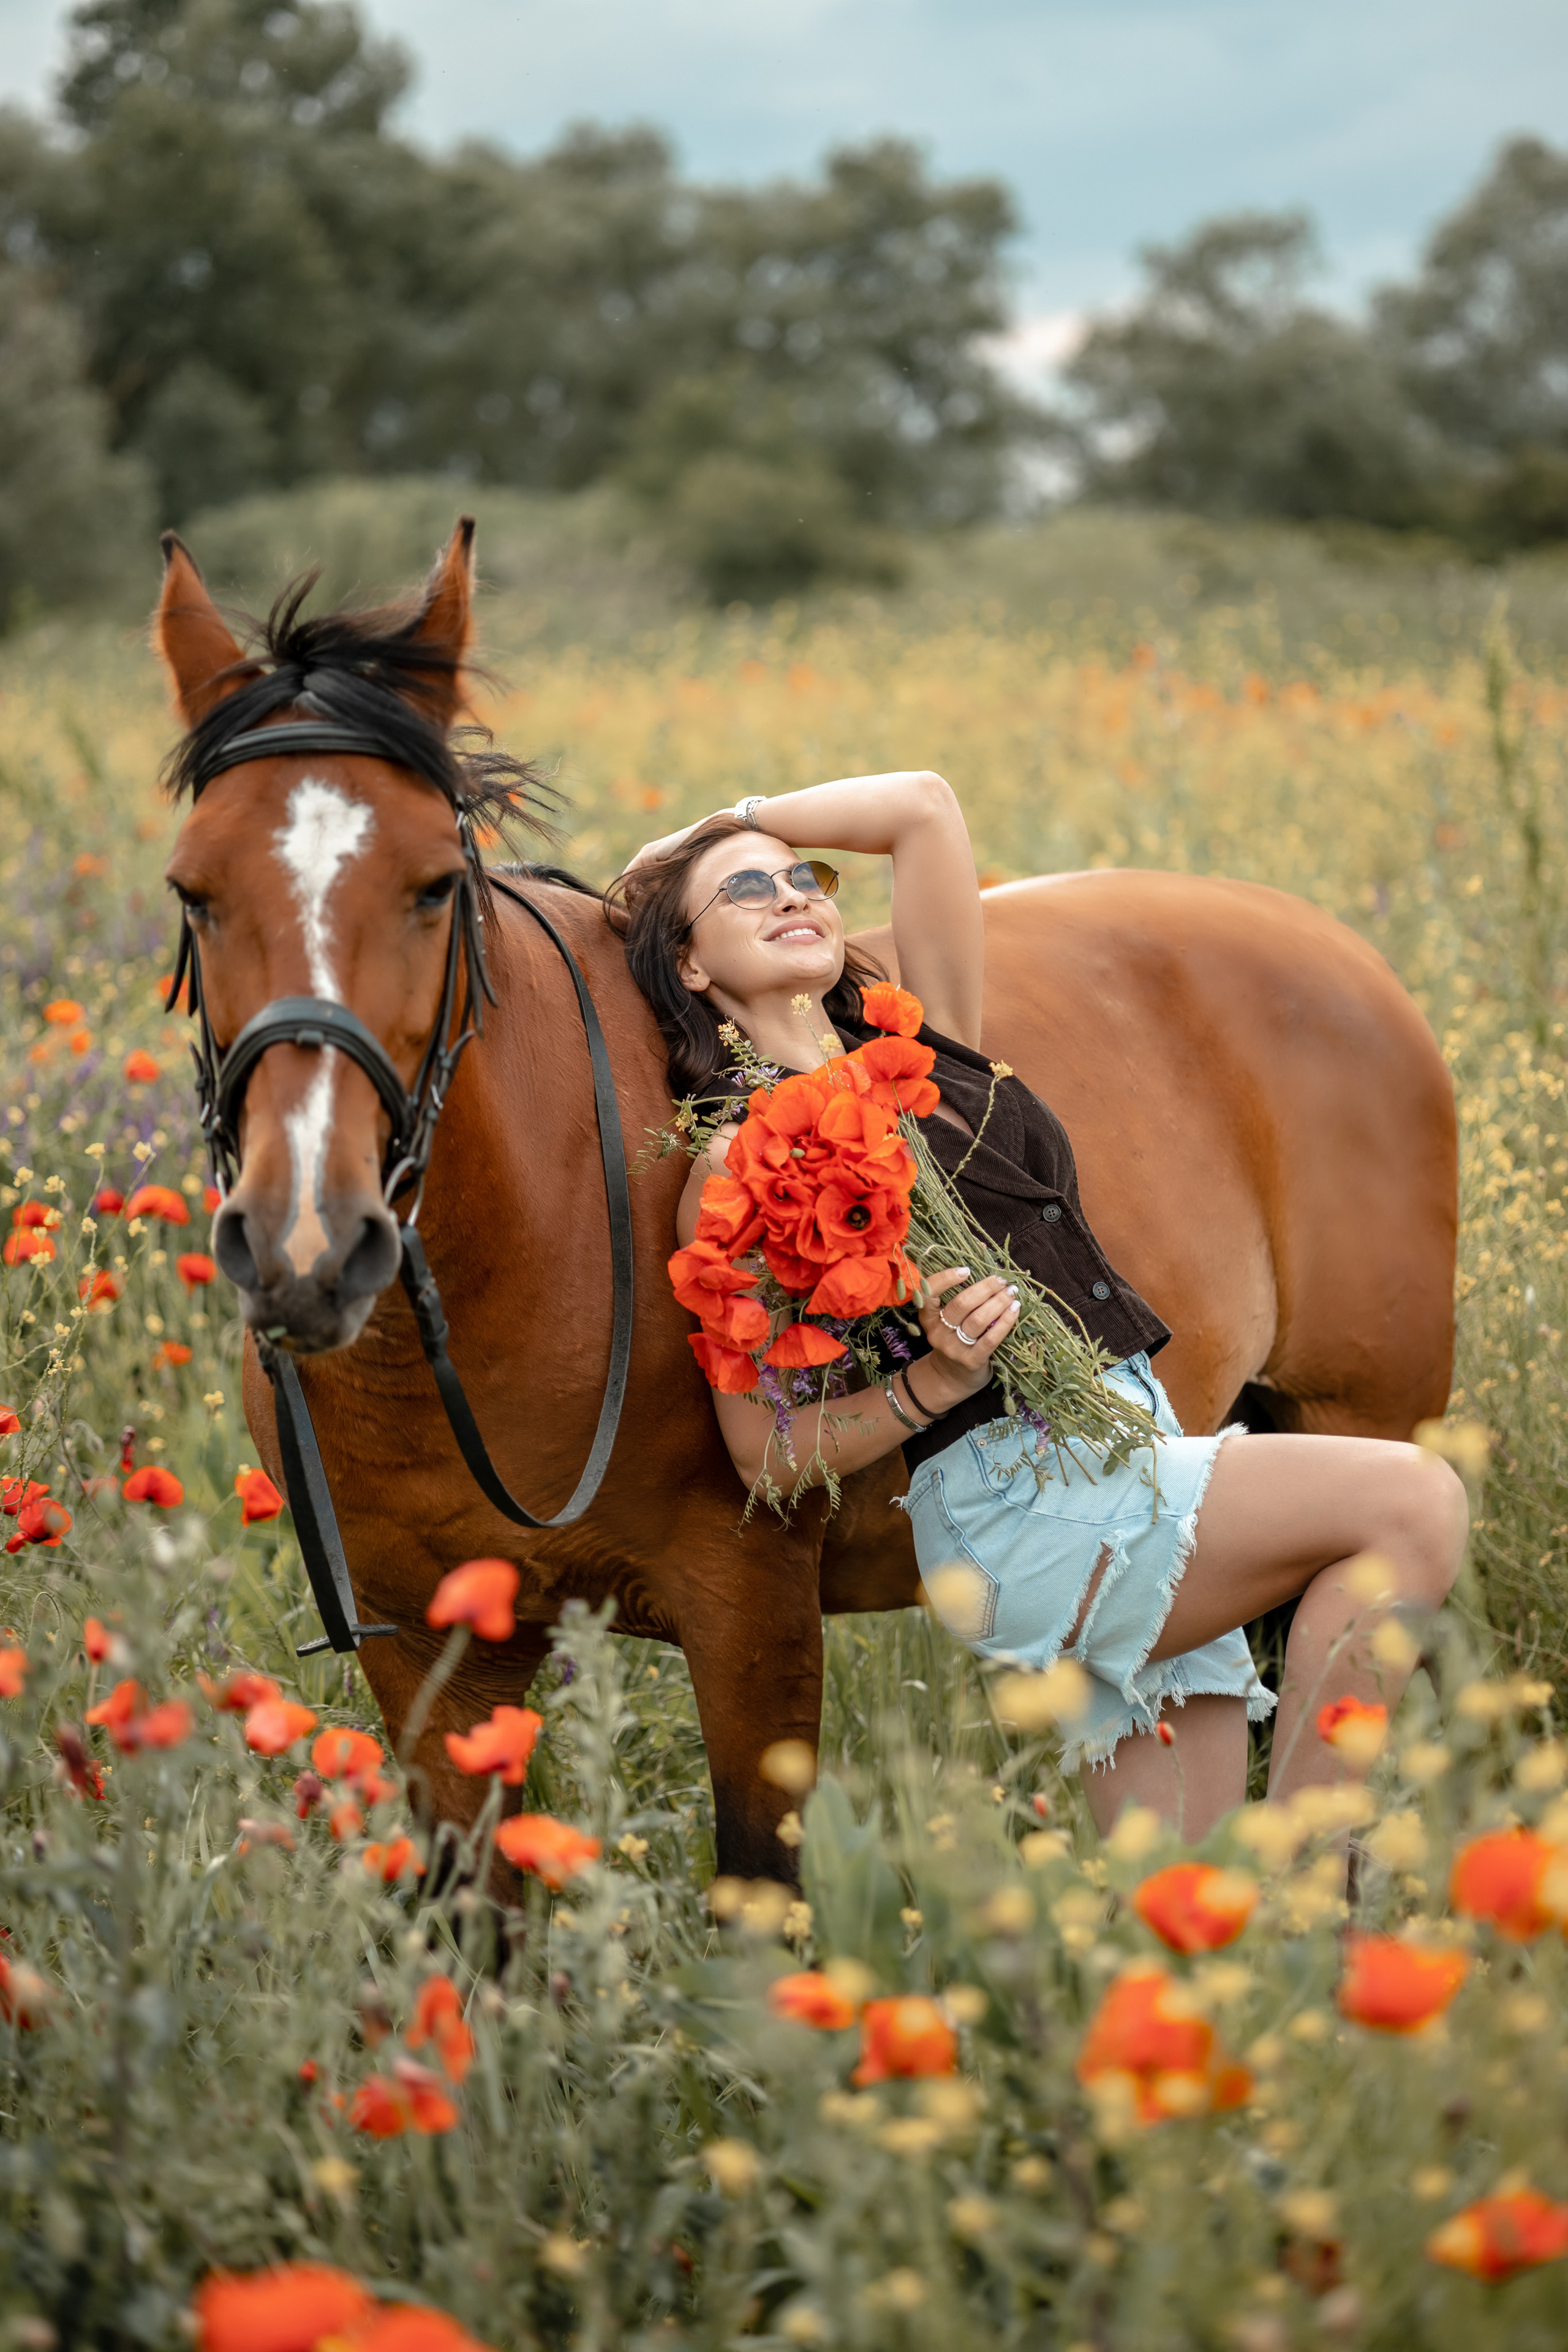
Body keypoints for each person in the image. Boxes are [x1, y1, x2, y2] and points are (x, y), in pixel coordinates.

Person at [609, 771, 1468, 1839]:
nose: (793, 895)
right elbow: (766, 1457)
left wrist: (723, 825)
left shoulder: (923, 1058)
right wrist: (934, 1382)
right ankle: (1320, 1891)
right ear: (688, 964)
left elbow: (921, 806)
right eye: (747, 893)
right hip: (1027, 1507)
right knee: (1414, 1501)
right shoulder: (738, 1163)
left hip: (1134, 1452)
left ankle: (1243, 1956)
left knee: (1176, 1904)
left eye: (805, 878)